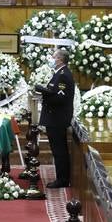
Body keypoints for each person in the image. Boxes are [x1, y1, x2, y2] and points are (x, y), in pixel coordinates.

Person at [35, 47, 75, 188]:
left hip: (57, 119)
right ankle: (62, 177)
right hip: (55, 118)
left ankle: (62, 179)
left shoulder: (63, 75)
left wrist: (44, 95)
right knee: (57, 150)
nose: (52, 59)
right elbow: (54, 92)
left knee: (59, 151)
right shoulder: (59, 73)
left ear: (60, 59)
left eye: (54, 57)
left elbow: (60, 98)